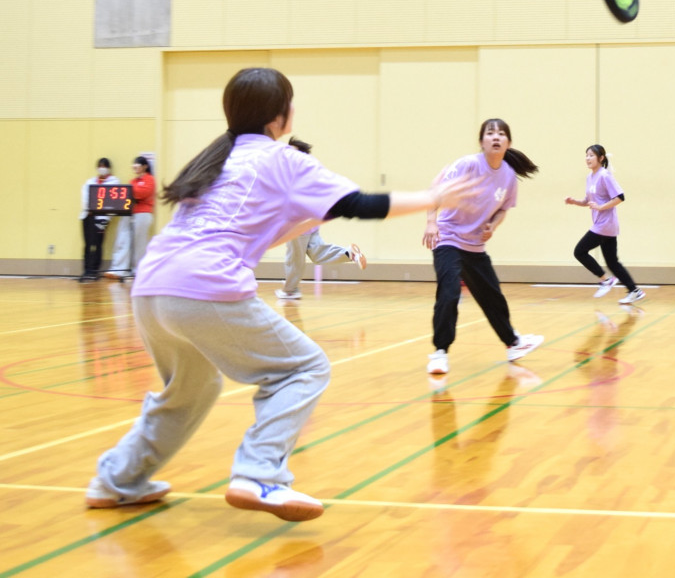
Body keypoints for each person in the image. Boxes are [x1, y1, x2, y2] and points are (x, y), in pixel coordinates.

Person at [84, 67, 477, 522]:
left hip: (151, 288)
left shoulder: (214, 159)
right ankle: (258, 472)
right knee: (304, 368)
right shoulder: (282, 158)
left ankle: (116, 480)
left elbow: (256, 233)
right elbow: (362, 205)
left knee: (191, 388)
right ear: (279, 115)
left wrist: (311, 219)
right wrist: (434, 198)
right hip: (204, 286)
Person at [422, 118, 545, 376]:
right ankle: (440, 352)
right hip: (448, 238)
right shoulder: (468, 164)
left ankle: (513, 344)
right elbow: (436, 191)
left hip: (475, 245)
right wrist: (431, 222)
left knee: (492, 296)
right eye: (490, 133)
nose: (496, 137)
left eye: (501, 134)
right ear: (481, 141)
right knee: (449, 292)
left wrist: (493, 225)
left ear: (508, 142)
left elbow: (503, 209)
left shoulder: (508, 176)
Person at [275, 137, 367, 301]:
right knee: (317, 254)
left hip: (297, 224)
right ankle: (349, 253)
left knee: (294, 259)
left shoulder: (296, 173)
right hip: (311, 223)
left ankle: (290, 290)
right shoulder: (310, 171)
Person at [565, 144, 645, 304]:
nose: (587, 158)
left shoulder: (605, 175)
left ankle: (606, 280)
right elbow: (589, 201)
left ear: (601, 158)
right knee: (612, 262)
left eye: (591, 155)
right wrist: (575, 202)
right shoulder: (590, 177)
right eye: (586, 155)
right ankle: (634, 291)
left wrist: (601, 207)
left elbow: (620, 197)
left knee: (579, 251)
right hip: (604, 225)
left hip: (605, 224)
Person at [106, 156, 157, 280]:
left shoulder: (149, 179)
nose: (135, 166)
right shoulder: (132, 181)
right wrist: (131, 191)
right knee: (122, 239)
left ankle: (138, 270)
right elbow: (128, 194)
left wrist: (131, 191)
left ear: (145, 166)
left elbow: (143, 193)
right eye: (134, 164)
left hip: (143, 214)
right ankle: (119, 269)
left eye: (137, 164)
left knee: (139, 243)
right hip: (129, 213)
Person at [79, 158, 119, 282]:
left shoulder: (114, 182)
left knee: (97, 244)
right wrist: (90, 208)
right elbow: (85, 197)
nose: (102, 168)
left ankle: (94, 270)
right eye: (100, 166)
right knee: (88, 244)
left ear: (109, 168)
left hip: (102, 218)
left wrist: (102, 213)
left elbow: (112, 202)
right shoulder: (90, 182)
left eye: (104, 166)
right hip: (88, 216)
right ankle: (87, 270)